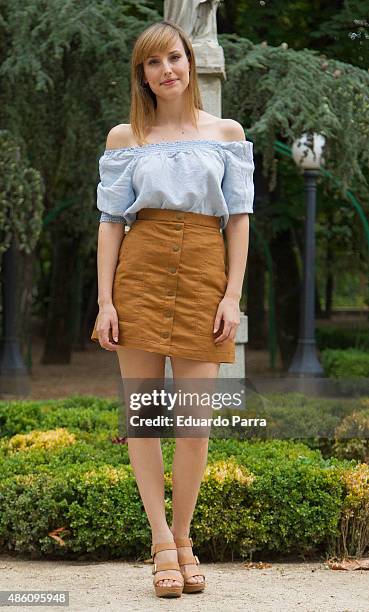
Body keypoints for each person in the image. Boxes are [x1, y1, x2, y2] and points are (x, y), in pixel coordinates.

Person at [91, 20, 254, 598]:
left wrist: (232, 296)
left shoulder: (226, 133)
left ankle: (184, 538)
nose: (168, 70)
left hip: (207, 272)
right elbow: (111, 224)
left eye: (175, 58)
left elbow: (238, 219)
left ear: (190, 64)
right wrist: (106, 301)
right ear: (143, 74)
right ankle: (161, 541)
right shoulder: (124, 139)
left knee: (193, 423)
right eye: (154, 63)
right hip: (141, 268)